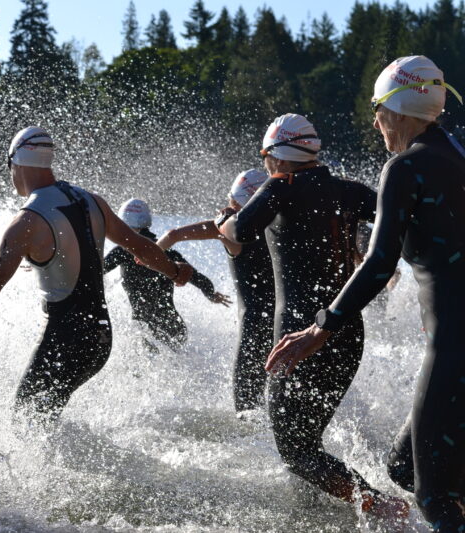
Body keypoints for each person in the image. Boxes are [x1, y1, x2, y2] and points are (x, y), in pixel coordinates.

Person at [266, 56, 465, 530]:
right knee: (404, 468)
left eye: (378, 110)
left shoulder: (404, 167)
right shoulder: (458, 156)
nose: (376, 123)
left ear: (397, 110)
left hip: (457, 346)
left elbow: (379, 262)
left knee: (434, 495)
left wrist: (320, 328)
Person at [0, 126, 193, 422]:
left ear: (15, 163)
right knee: (42, 422)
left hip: (66, 339)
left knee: (24, 423)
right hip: (101, 340)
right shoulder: (93, 201)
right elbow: (140, 246)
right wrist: (175, 270)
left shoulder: (26, 222)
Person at [217, 113, 407, 517]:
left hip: (298, 337)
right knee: (309, 440)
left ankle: (385, 509)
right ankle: (352, 506)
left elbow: (237, 233)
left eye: (266, 156)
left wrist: (224, 219)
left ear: (277, 156)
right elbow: (404, 226)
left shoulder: (280, 187)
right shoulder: (352, 191)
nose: (266, 165)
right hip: (346, 329)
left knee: (295, 451)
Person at [158, 169, 275, 412]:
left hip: (256, 327)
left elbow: (173, 235)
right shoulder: (281, 227)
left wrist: (152, 257)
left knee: (248, 408)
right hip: (288, 322)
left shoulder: (226, 229)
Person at [103, 198, 231, 351]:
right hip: (174, 326)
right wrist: (211, 294)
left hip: (144, 330)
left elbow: (97, 270)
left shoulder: (123, 251)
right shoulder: (168, 251)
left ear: (123, 224)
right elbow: (198, 278)